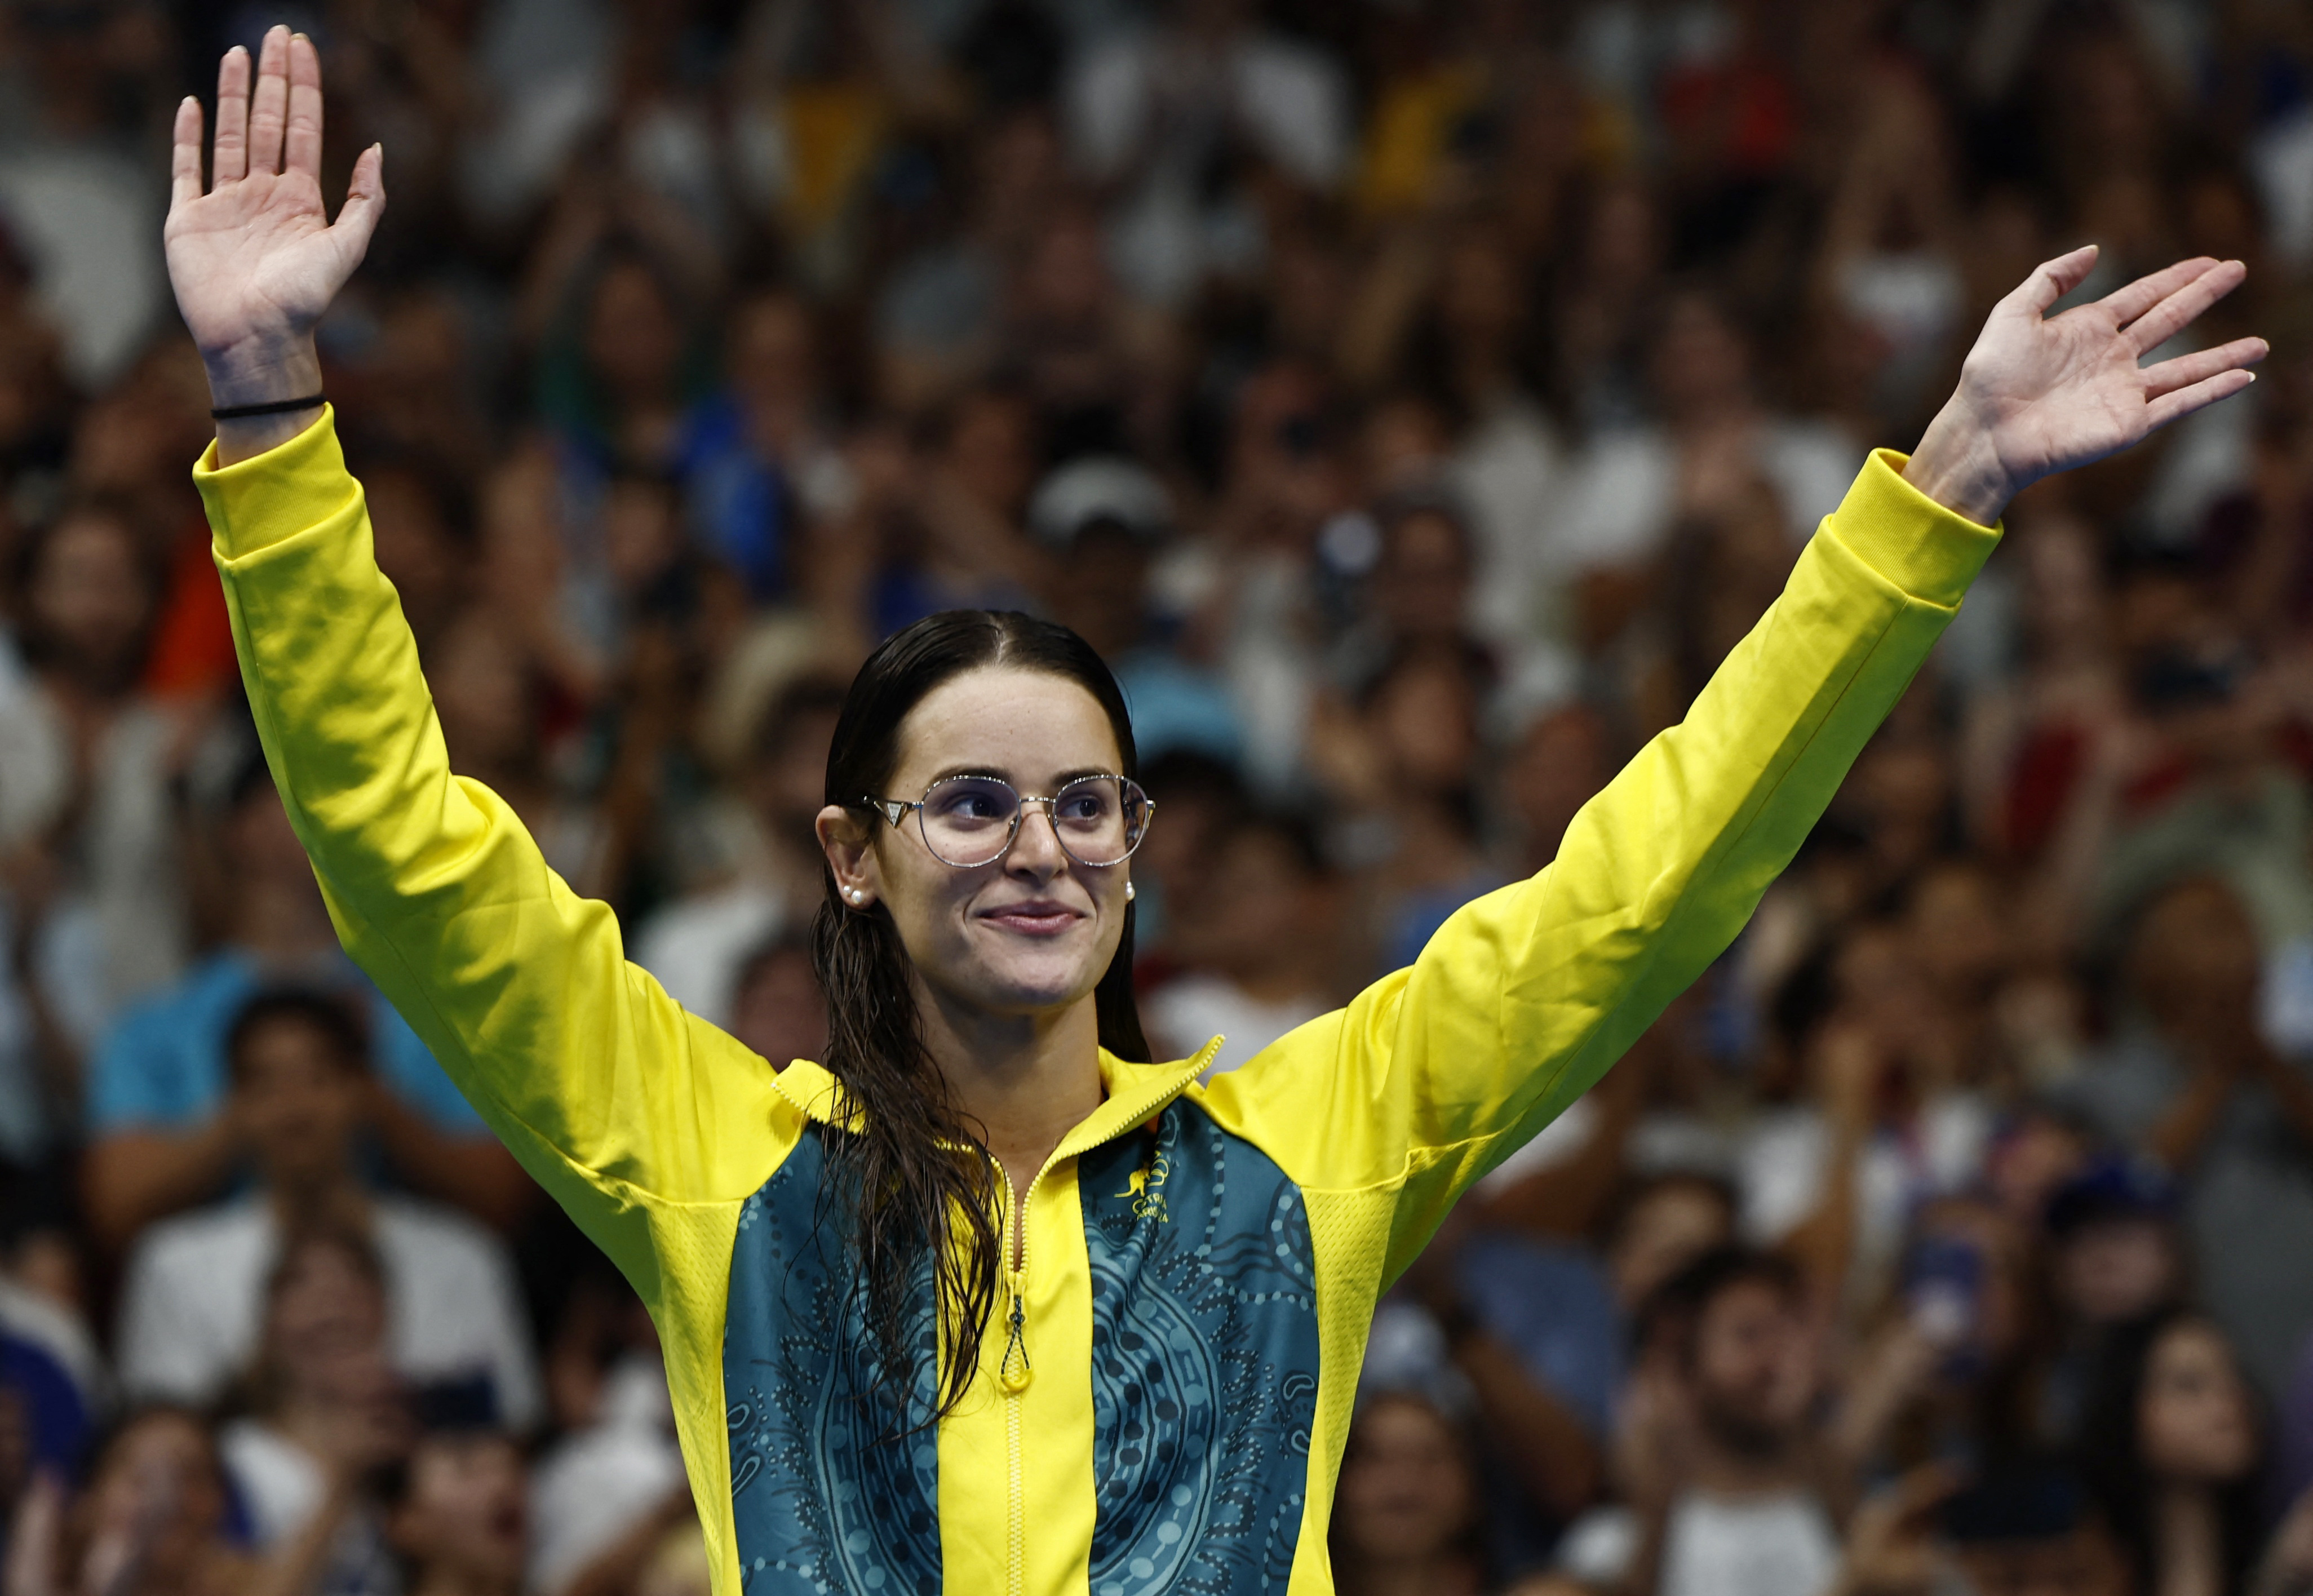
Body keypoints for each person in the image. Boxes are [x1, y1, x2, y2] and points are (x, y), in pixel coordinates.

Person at [162, 25, 2263, 1593]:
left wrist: (1935, 501)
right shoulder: (712, 1162)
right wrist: (269, 417)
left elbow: (1662, 867)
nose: (1037, 846)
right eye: (966, 802)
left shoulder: (1313, 1148)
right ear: (850, 856)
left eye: (1086, 802)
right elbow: (401, 850)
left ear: (1139, 847)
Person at [116, 990, 539, 1427]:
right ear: (233, 1107)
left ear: (364, 1092)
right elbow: (159, 1435)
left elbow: (512, 1422)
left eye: (317, 1078)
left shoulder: (462, 1258)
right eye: (265, 1084)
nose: (294, 1107)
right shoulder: (173, 1266)